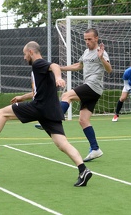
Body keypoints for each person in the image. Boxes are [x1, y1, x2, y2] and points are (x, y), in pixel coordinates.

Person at [0, 41, 92, 187]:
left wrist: (58, 78)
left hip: (40, 107)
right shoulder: (39, 69)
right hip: (51, 110)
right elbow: (36, 92)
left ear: (31, 52)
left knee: (2, 113)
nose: (24, 57)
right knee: (62, 143)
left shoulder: (39, 64)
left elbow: (55, 65)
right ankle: (83, 170)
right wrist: (22, 98)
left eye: (25, 54)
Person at [35, 28, 113, 162]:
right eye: (85, 39)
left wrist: (101, 58)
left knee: (67, 96)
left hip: (93, 86)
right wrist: (61, 68)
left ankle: (52, 120)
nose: (87, 42)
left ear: (96, 38)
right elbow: (79, 66)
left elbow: (109, 69)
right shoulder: (86, 52)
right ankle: (95, 149)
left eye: (90, 39)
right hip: (92, 89)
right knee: (83, 120)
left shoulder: (101, 52)